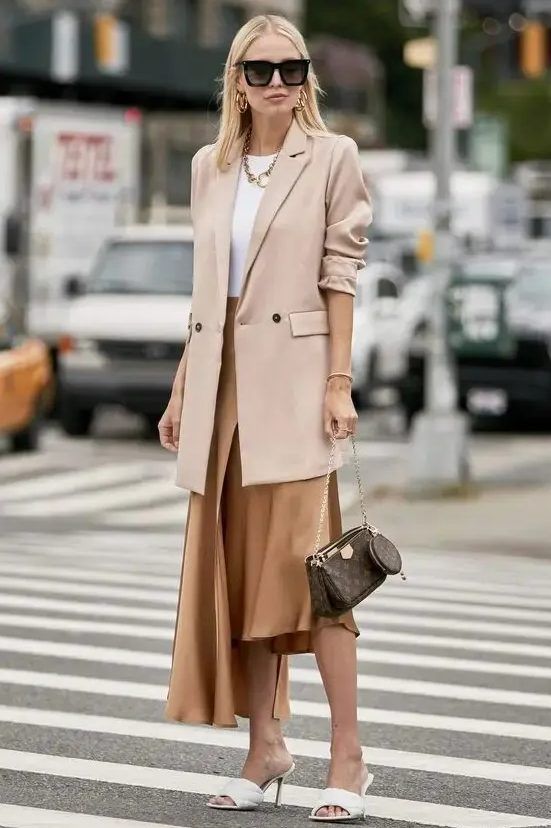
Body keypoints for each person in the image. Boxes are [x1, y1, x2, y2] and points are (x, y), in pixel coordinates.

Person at [158, 12, 373, 822]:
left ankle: (348, 757)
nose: (278, 82)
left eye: (292, 68)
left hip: (293, 387)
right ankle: (265, 748)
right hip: (222, 390)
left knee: (318, 582)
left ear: (306, 77)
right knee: (240, 578)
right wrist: (183, 388)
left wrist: (338, 381)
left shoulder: (332, 156)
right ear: (236, 83)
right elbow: (206, 297)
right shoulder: (208, 166)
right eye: (261, 71)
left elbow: (340, 275)